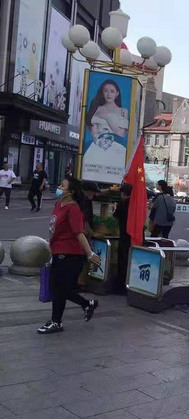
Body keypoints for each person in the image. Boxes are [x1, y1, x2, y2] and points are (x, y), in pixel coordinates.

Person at [38, 175, 101, 334]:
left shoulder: (73, 208)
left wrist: (90, 254)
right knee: (58, 289)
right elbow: (55, 229)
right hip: (58, 251)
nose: (59, 188)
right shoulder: (58, 204)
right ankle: (59, 320)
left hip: (70, 254)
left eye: (62, 186)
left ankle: (78, 309)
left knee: (60, 289)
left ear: (71, 191)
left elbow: (79, 233)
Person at [84, 79, 129, 165]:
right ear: (102, 93)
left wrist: (106, 117)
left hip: (117, 148)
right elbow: (93, 131)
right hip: (98, 147)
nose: (109, 94)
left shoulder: (123, 111)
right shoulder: (96, 109)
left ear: (117, 93)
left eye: (112, 91)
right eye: (105, 91)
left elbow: (120, 133)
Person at [113, 183, 132, 293]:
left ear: (123, 193)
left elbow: (115, 216)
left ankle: (121, 285)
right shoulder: (135, 203)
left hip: (124, 236)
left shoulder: (123, 203)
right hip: (133, 236)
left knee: (123, 260)